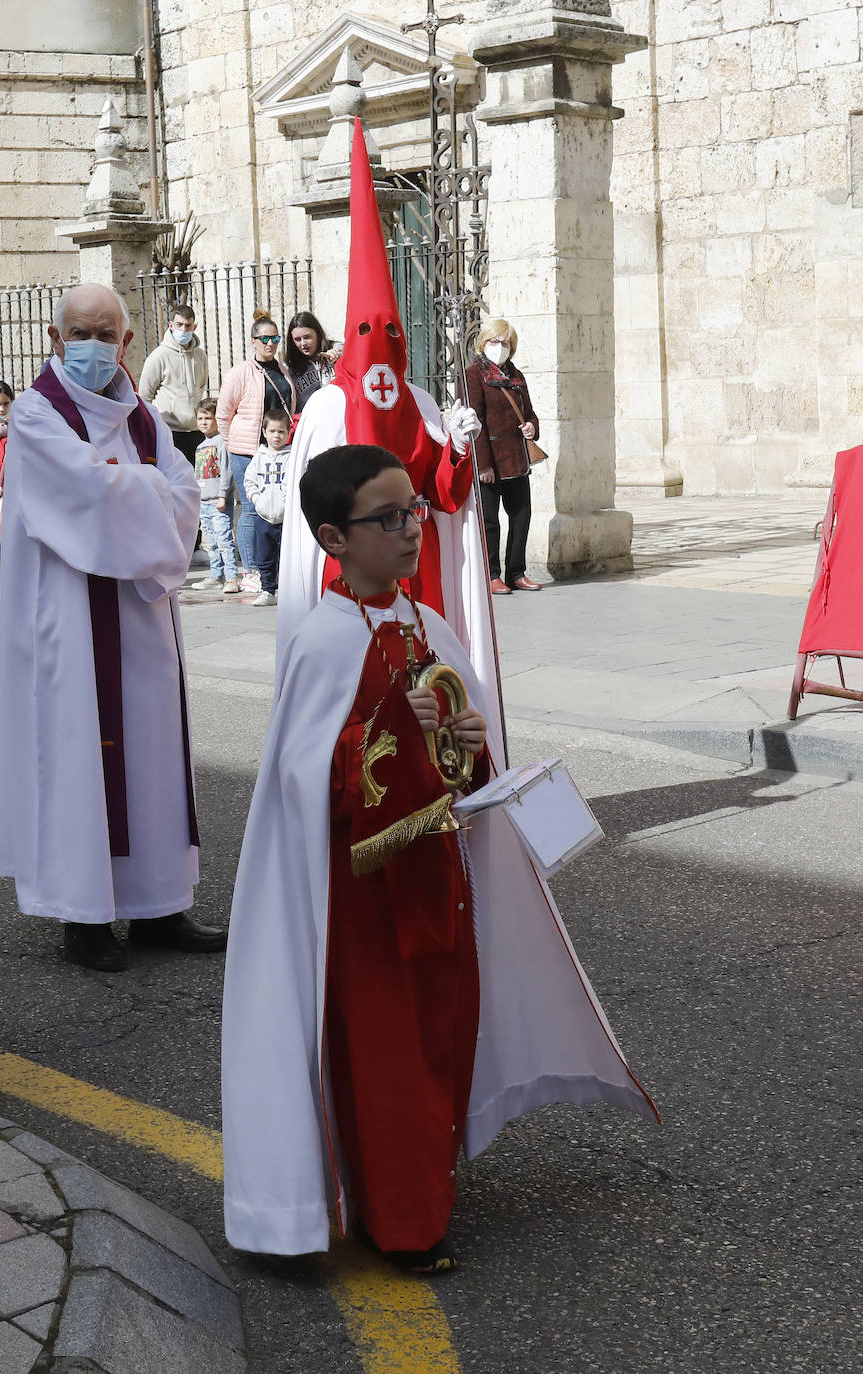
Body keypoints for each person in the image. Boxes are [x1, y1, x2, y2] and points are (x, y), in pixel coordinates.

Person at [222, 444, 658, 1271]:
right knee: (385, 1053)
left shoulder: (431, 626)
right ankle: (403, 1221)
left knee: (438, 1036)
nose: (411, 529)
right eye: (387, 519)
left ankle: (420, 1189)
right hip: (359, 900)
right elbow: (304, 778)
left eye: (414, 511)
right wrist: (393, 731)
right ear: (332, 538)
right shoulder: (321, 641)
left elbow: (463, 763)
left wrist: (466, 744)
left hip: (437, 877)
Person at [0, 283, 227, 971]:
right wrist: (141, 489)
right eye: (80, 333)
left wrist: (131, 487)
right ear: (56, 340)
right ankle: (82, 915)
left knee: (153, 755)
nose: (94, 346)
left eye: (106, 333)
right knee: (76, 755)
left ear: (126, 343)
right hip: (69, 622)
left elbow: (183, 499)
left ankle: (158, 905)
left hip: (141, 617)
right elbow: (84, 494)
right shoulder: (36, 415)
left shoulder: (144, 417)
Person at [278, 119, 495, 746]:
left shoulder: (422, 399)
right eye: (367, 333)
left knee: (436, 693)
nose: (382, 350)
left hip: (417, 569)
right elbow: (310, 513)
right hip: (347, 581)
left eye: (391, 334)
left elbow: (446, 493)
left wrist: (456, 444)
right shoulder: (322, 409)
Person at [216, 310, 296, 594]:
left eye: (274, 338)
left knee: (279, 507)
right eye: (264, 338)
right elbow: (223, 414)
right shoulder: (240, 373)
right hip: (247, 450)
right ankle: (250, 570)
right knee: (251, 509)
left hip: (279, 449)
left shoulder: (283, 370)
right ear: (253, 341)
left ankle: (272, 568)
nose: (270, 343)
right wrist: (233, 443)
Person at [466, 319, 542, 595]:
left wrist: (533, 426)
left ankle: (516, 572)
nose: (499, 347)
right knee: (489, 520)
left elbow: (530, 411)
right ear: (483, 343)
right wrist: (483, 464)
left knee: (521, 515)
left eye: (505, 342)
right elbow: (476, 422)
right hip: (491, 461)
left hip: (516, 458)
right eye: (494, 341)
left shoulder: (516, 375)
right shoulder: (473, 374)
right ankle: (491, 573)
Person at [138, 301, 209, 464]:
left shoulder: (200, 355)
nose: (183, 329)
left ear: (194, 327)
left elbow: (201, 387)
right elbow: (144, 396)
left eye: (188, 325)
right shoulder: (158, 356)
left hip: (196, 430)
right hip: (170, 431)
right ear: (171, 325)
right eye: (179, 325)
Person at [243, 408, 292, 607]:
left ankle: (289, 592)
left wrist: (287, 502)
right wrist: (257, 500)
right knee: (264, 556)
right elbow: (249, 481)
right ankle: (267, 590)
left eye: (281, 431)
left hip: (286, 516)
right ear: (264, 432)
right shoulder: (259, 457)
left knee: (287, 556)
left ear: (288, 433)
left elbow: (295, 482)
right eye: (272, 431)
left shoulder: (292, 456)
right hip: (263, 516)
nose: (276, 435)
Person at [191, 398, 239, 594]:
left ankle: (231, 577)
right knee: (210, 541)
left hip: (218, 501)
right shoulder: (200, 446)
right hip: (203, 501)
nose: (203, 422)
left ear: (217, 419)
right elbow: (197, 474)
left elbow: (226, 472)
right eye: (200, 418)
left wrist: (222, 495)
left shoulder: (221, 442)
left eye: (208, 418)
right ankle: (215, 575)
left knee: (223, 539)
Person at [284, 311, 342, 414]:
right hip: (310, 423)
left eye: (307, 337)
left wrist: (338, 357)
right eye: (297, 339)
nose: (303, 344)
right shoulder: (290, 367)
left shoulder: (336, 348)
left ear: (317, 334)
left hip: (339, 417)